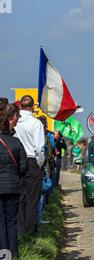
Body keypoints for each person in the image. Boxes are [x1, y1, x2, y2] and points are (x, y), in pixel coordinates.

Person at [14, 95, 45, 235]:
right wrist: (39, 164)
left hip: (16, 161)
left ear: (20, 106)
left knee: (19, 199)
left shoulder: (15, 122)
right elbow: (39, 148)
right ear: (33, 107)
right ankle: (30, 232)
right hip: (32, 161)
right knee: (32, 200)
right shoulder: (35, 123)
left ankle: (20, 232)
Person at [0, 111, 28, 257]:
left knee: (1, 224)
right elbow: (24, 166)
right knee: (11, 223)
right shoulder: (16, 142)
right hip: (13, 185)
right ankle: (15, 256)